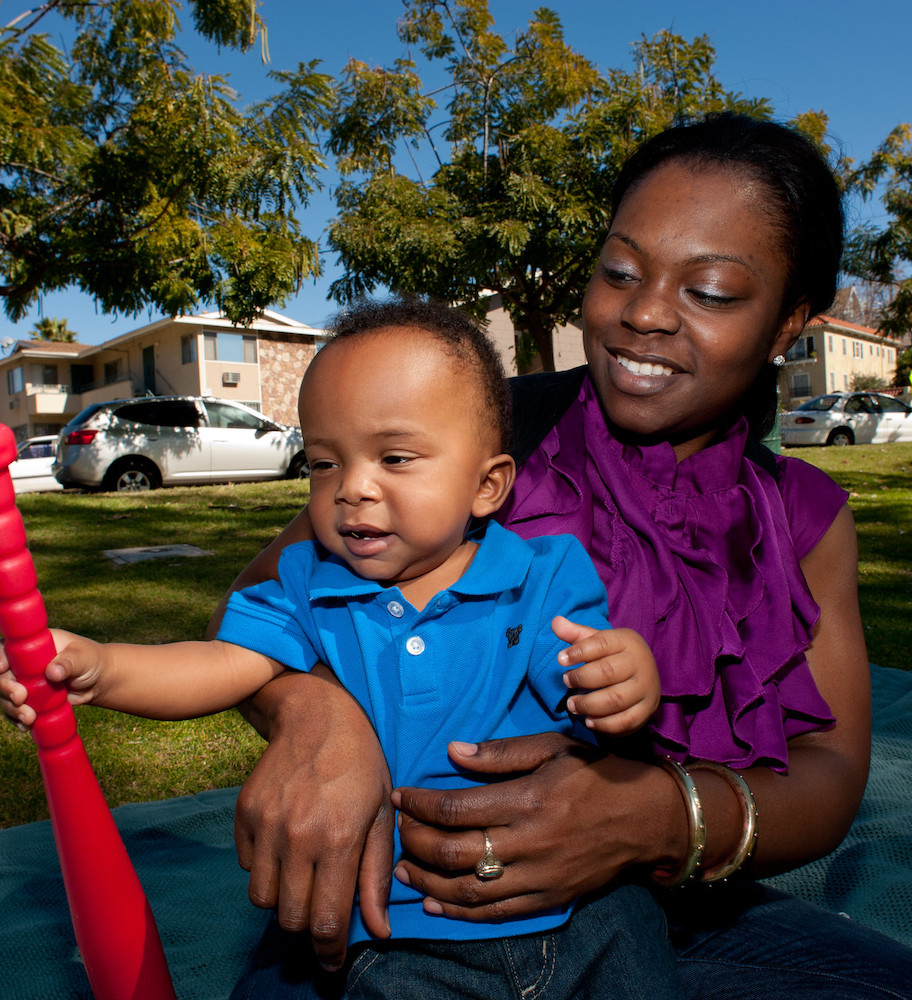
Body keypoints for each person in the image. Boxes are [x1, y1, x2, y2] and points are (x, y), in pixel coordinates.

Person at [188, 112, 912, 1000]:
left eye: (712, 291)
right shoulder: (482, 438)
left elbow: (831, 778)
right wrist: (317, 721)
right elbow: (263, 595)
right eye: (620, 271)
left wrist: (648, 817)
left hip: (663, 919)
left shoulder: (804, 519)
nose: (644, 313)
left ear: (786, 325)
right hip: (402, 903)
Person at [3, 300, 675, 999]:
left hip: (582, 916)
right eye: (325, 463)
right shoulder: (305, 588)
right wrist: (101, 666)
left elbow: (585, 687)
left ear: (486, 485)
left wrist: (621, 679)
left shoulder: (543, 577)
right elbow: (216, 667)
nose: (353, 488)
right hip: (398, 933)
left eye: (395, 457)